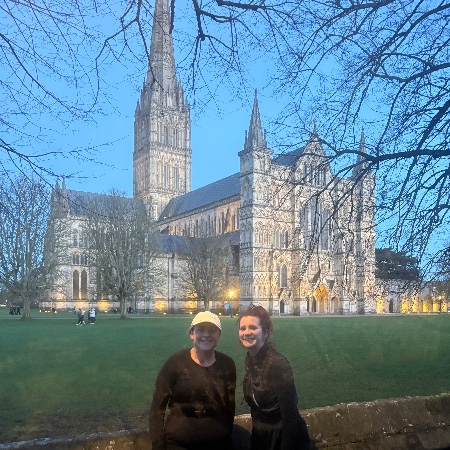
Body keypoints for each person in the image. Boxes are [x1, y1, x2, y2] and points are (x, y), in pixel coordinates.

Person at [149, 311, 236, 450]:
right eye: (200, 330)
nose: (206, 334)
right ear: (191, 334)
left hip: (218, 443)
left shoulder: (227, 364)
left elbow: (230, 407)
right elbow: (157, 408)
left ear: (219, 335)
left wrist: (226, 432)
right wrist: (158, 445)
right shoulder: (176, 363)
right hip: (179, 444)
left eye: (212, 330)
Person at [238, 305, 310, 450]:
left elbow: (290, 416)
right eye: (243, 328)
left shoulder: (278, 364)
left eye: (253, 327)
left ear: (265, 333)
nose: (247, 332)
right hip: (262, 437)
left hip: (282, 439)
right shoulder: (250, 359)